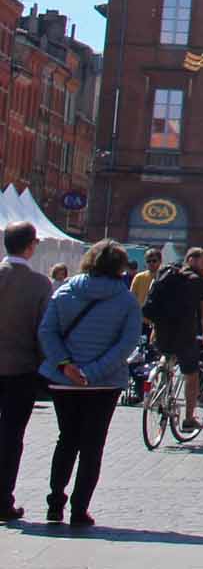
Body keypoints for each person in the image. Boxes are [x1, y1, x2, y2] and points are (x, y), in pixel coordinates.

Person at [37, 240, 141, 529]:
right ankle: (79, 510)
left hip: (63, 381)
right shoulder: (126, 299)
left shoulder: (66, 290)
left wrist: (66, 365)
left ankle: (55, 503)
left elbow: (47, 331)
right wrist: (92, 372)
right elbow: (127, 343)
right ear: (120, 266)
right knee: (92, 446)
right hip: (104, 384)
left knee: (66, 439)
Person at [0, 223, 51, 520]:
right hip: (21, 369)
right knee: (11, 437)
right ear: (30, 246)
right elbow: (44, 330)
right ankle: (3, 499)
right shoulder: (40, 284)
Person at [144, 247, 203, 429]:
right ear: (191, 259)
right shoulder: (198, 281)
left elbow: (153, 304)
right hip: (185, 335)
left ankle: (159, 388)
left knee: (166, 357)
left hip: (162, 332)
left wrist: (154, 329)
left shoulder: (166, 274)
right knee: (191, 374)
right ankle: (189, 419)